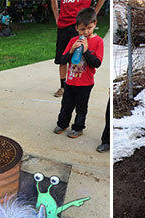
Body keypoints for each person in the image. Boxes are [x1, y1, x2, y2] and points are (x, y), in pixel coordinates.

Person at [53, 7, 104, 139]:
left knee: (81, 108)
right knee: (66, 105)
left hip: (85, 83)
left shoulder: (98, 42)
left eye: (89, 28)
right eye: (82, 29)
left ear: (95, 24)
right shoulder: (72, 41)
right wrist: (71, 50)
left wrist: (86, 51)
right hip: (70, 81)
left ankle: (78, 127)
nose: (86, 32)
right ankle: (62, 124)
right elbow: (63, 60)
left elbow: (96, 64)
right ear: (76, 28)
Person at [51, 0, 106, 98]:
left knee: (81, 55)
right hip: (63, 25)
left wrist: (93, 14)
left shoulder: (90, 33)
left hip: (81, 24)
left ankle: (81, 83)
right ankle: (63, 86)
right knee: (62, 58)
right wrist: (57, 16)